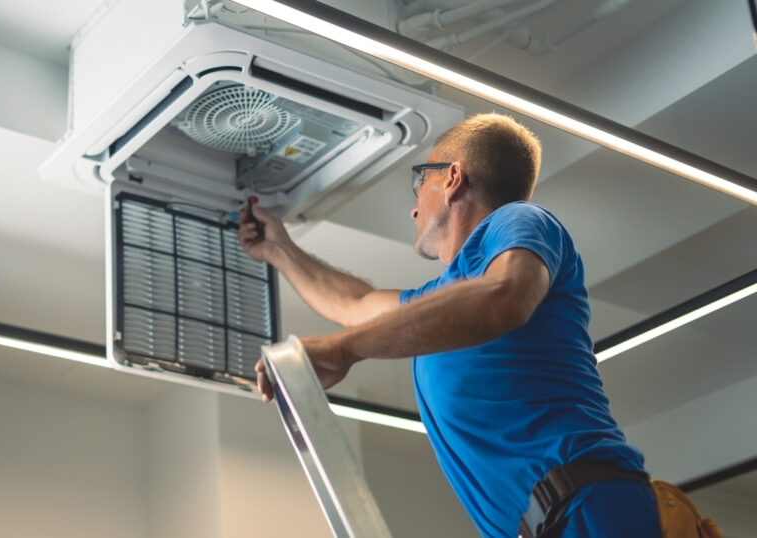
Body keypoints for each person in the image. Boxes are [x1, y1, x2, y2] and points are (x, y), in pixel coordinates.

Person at [238, 113, 660, 538]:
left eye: (421, 180)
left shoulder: (520, 221)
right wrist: (279, 249)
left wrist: (344, 348)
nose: (414, 204)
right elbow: (355, 303)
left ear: (454, 177)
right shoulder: (446, 300)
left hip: (586, 507)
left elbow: (505, 297)